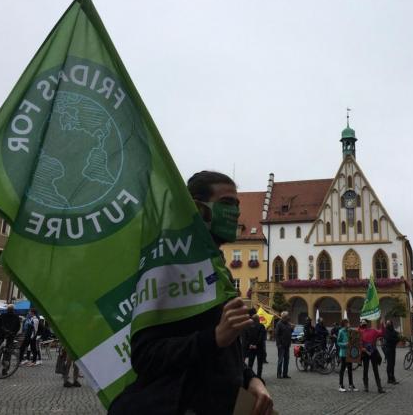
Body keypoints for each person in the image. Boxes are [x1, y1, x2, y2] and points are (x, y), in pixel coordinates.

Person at [108, 171, 272, 415]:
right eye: (227, 203)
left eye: (237, 205)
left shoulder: (219, 269)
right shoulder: (170, 267)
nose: (236, 212)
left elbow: (225, 354)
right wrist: (213, 337)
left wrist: (251, 380)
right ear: (198, 208)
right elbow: (145, 356)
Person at [0, 304, 21, 377]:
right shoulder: (16, 317)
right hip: (9, 338)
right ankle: (4, 371)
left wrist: (0, 333)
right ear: (13, 310)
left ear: (7, 309)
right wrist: (12, 333)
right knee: (7, 355)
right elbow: (18, 328)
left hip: (2, 337)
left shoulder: (2, 316)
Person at [358, 318, 385, 393]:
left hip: (370, 353)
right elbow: (382, 332)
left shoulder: (370, 330)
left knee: (371, 370)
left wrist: (382, 324)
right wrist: (382, 324)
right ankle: (373, 387)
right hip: (368, 353)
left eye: (363, 323)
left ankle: (376, 387)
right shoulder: (363, 331)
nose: (363, 324)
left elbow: (382, 333)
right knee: (369, 370)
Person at [243, 308, 266, 378]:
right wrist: (256, 345)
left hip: (251, 348)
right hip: (259, 348)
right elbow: (261, 337)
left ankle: (249, 377)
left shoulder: (247, 327)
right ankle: (259, 376)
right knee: (259, 364)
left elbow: (245, 338)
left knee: (250, 363)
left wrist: (250, 345)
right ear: (258, 319)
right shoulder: (261, 326)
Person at [336, 318, 357, 392]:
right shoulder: (341, 331)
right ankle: (341, 385)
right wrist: (345, 344)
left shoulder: (350, 331)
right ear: (344, 324)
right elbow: (338, 342)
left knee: (350, 370)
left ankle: (351, 385)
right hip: (343, 353)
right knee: (342, 370)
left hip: (349, 353)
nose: (349, 324)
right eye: (348, 323)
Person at [274, 311, 292, 379]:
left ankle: (285, 374)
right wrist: (278, 344)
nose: (288, 317)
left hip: (287, 345)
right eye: (287, 316)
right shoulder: (279, 324)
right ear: (284, 317)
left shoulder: (288, 323)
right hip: (281, 345)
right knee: (280, 360)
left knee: (287, 360)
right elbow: (277, 335)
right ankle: (279, 374)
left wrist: (292, 329)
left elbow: (289, 332)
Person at [383, 320, 399, 384]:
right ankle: (390, 379)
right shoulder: (386, 331)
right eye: (387, 323)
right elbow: (389, 339)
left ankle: (392, 378)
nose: (388, 324)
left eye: (389, 323)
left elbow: (397, 338)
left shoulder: (393, 330)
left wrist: (395, 339)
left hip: (393, 349)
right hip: (388, 349)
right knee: (390, 364)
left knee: (393, 364)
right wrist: (395, 339)